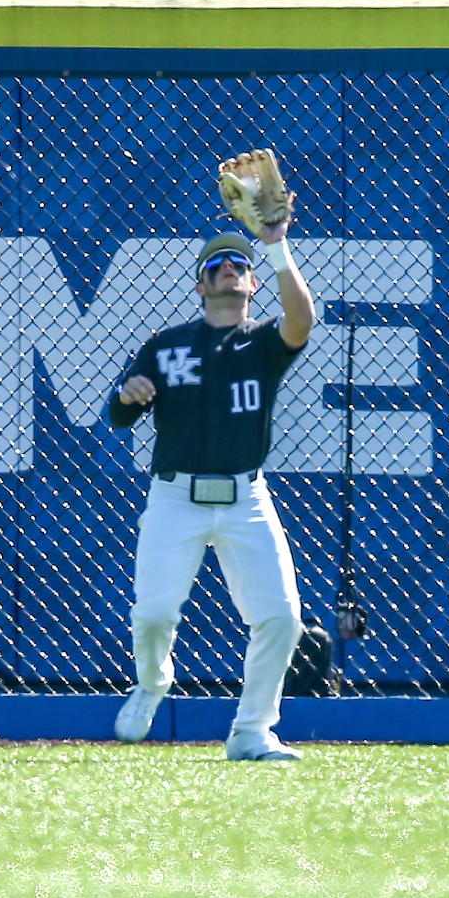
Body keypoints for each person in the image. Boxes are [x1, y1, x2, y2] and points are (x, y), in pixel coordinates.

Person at [107, 216, 316, 761]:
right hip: (175, 497)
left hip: (247, 497)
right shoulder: (166, 344)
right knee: (153, 615)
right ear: (201, 286)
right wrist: (129, 395)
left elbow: (302, 319)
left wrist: (275, 246)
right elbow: (119, 416)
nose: (229, 268)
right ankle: (152, 683)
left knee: (281, 618)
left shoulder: (266, 342)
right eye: (216, 265)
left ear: (252, 282)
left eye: (239, 264)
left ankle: (251, 731)